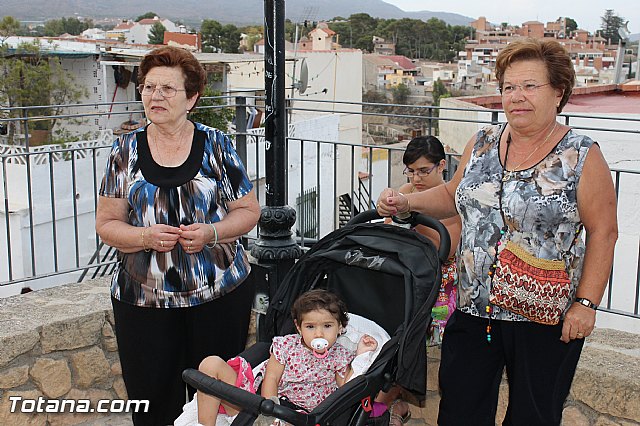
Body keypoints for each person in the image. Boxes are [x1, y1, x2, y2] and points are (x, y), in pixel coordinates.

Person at [376, 38, 617, 425]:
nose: (516, 97)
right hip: (475, 309)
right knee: (460, 412)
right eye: (508, 87)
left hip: (544, 318)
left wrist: (585, 304)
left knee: (532, 417)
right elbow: (455, 196)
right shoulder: (483, 142)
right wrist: (408, 203)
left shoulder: (582, 155)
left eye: (529, 86)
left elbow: (604, 232)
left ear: (559, 92)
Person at [95, 46, 260, 425]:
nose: (155, 96)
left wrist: (212, 232)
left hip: (218, 295)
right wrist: (144, 238)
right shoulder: (124, 151)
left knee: (215, 398)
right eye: (148, 86)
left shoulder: (217, 145)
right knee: (152, 404)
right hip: (143, 302)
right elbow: (107, 224)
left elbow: (249, 212)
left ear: (192, 97)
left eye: (168, 88)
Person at [196, 289, 378, 425]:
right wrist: (271, 411)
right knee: (210, 364)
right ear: (299, 328)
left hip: (300, 416)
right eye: (310, 327)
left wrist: (361, 354)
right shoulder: (286, 346)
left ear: (340, 328)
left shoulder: (340, 356)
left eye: (327, 326)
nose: (319, 334)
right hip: (265, 402)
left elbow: (344, 391)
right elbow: (272, 377)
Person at [382, 136, 462, 425]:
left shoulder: (449, 201)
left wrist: (411, 217)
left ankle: (389, 404)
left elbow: (447, 248)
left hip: (439, 290)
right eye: (411, 171)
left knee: (405, 332)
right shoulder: (406, 191)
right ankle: (390, 402)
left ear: (442, 166)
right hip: (406, 281)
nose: (416, 178)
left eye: (423, 171)